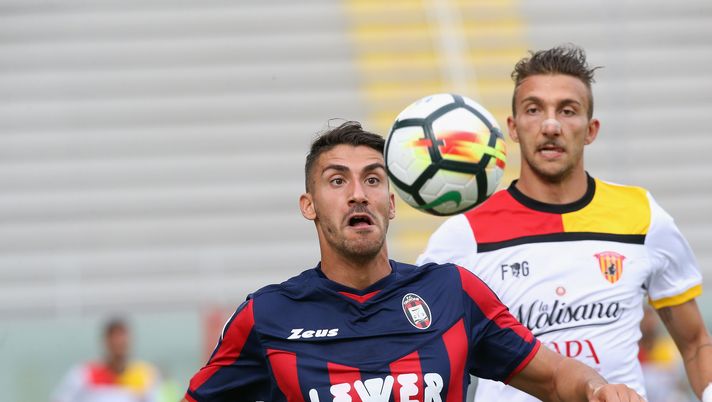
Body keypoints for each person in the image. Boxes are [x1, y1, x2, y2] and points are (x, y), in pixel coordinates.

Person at [182, 121, 643, 402]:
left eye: (373, 179)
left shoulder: (452, 293)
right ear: (309, 206)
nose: (358, 194)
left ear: (392, 203)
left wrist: (598, 390)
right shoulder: (267, 315)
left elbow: (555, 376)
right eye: (337, 181)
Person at [417, 44, 712, 402]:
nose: (551, 125)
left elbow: (695, 343)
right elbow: (417, 353)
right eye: (533, 109)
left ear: (591, 130)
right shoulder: (464, 236)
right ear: (513, 127)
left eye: (567, 110)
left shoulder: (643, 216)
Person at [52, 318, 161, 402]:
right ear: (105, 341)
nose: (118, 343)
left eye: (122, 338)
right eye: (114, 338)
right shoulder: (85, 373)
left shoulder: (146, 374)